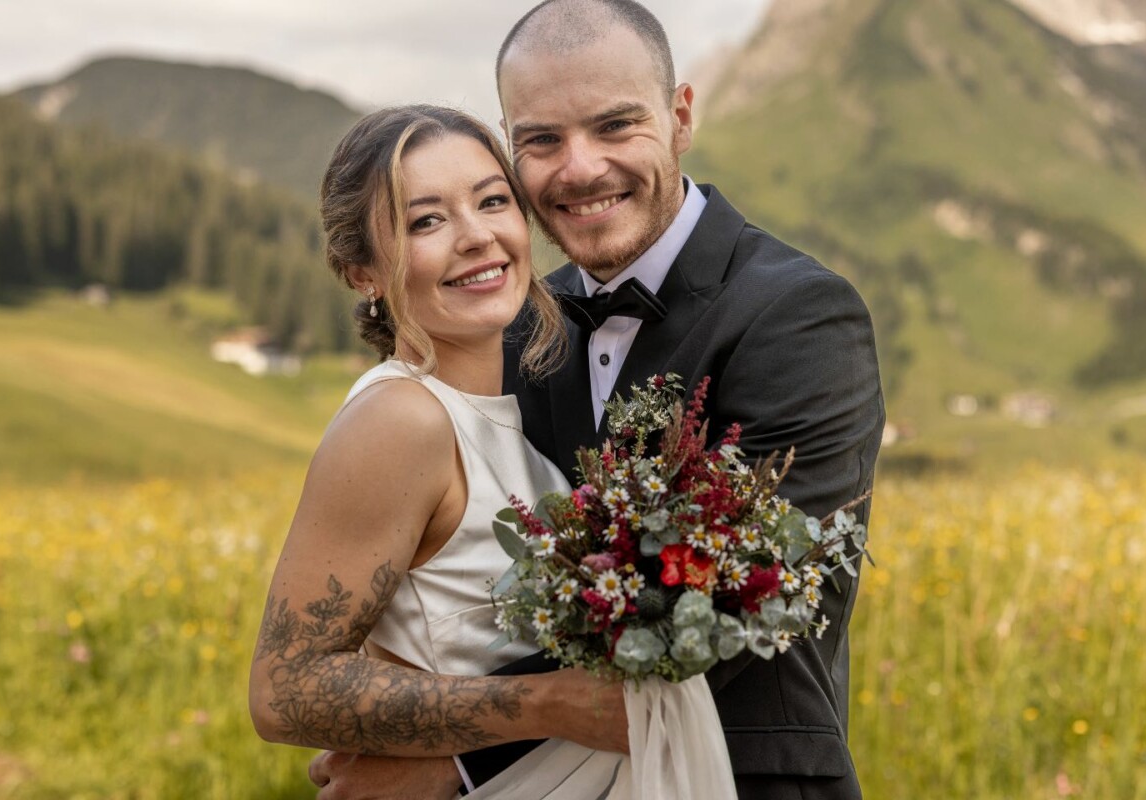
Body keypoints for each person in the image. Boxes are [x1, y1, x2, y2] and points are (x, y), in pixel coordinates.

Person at [310, 1, 884, 798]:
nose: (580, 169)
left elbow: (739, 608)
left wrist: (452, 756)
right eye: (542, 140)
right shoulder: (512, 325)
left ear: (681, 117)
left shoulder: (799, 315)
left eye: (616, 127)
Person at [248, 105, 631, 800]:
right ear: (361, 271)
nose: (477, 237)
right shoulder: (402, 419)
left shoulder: (512, 418)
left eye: (493, 201)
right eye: (427, 221)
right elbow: (287, 688)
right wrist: (550, 704)